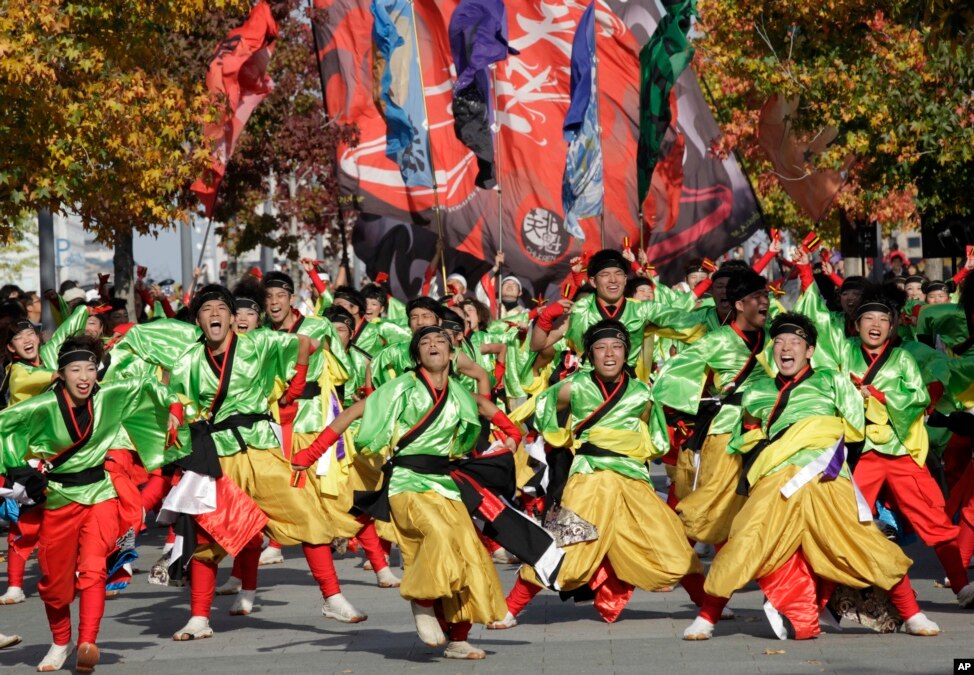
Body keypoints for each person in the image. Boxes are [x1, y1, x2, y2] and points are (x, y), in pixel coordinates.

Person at [113, 285, 369, 640]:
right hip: (216, 456)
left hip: (261, 447)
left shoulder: (259, 343)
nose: (214, 314)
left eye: (222, 308)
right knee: (206, 538)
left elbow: (305, 344)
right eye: (206, 309)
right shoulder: (188, 359)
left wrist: (293, 389)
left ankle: (333, 597)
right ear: (199, 320)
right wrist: (175, 417)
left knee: (307, 515)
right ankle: (199, 618)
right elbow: (180, 400)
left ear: (233, 318)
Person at [687, 313, 940, 640]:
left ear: (809, 351)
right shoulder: (758, 391)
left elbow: (854, 431)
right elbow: (745, 437)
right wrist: (771, 448)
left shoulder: (833, 381)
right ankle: (708, 616)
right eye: (779, 341)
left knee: (861, 539)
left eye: (795, 342)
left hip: (825, 474)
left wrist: (824, 448)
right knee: (746, 539)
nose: (786, 347)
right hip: (776, 479)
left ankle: (912, 613)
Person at [291, 325, 513, 660]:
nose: (434, 345)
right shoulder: (401, 387)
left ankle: (459, 638)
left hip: (444, 482)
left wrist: (513, 432)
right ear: (416, 355)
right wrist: (310, 453)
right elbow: (352, 412)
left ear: (452, 354)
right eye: (425, 342)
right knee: (437, 536)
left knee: (469, 553)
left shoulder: (459, 393)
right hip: (406, 481)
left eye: (441, 341)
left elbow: (486, 406)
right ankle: (422, 601)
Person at [493, 320, 725, 628]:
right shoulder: (573, 386)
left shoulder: (642, 392)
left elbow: (656, 438)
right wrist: (558, 437)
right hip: (589, 477)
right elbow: (544, 410)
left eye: (616, 347)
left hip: (631, 477)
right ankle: (511, 608)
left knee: (668, 540)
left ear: (626, 353)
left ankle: (707, 605)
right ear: (590, 354)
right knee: (566, 544)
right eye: (600, 348)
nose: (609, 354)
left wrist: (632, 444)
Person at [0, 335, 188, 672]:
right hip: (58, 499)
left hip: (100, 494)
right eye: (76, 369)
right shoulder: (39, 407)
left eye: (90, 368)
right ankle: (61, 641)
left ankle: (88, 641)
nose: (84, 376)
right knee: (55, 585)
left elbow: (151, 384)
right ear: (60, 374)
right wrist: (17, 470)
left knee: (93, 569)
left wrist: (173, 411)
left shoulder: (110, 396)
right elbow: (3, 427)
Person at [653, 270, 772, 545]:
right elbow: (672, 375)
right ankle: (675, 547)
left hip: (767, 428)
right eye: (756, 296)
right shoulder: (716, 340)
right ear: (740, 305)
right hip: (727, 430)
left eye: (765, 295)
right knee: (716, 503)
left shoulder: (776, 337)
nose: (764, 301)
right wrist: (684, 413)